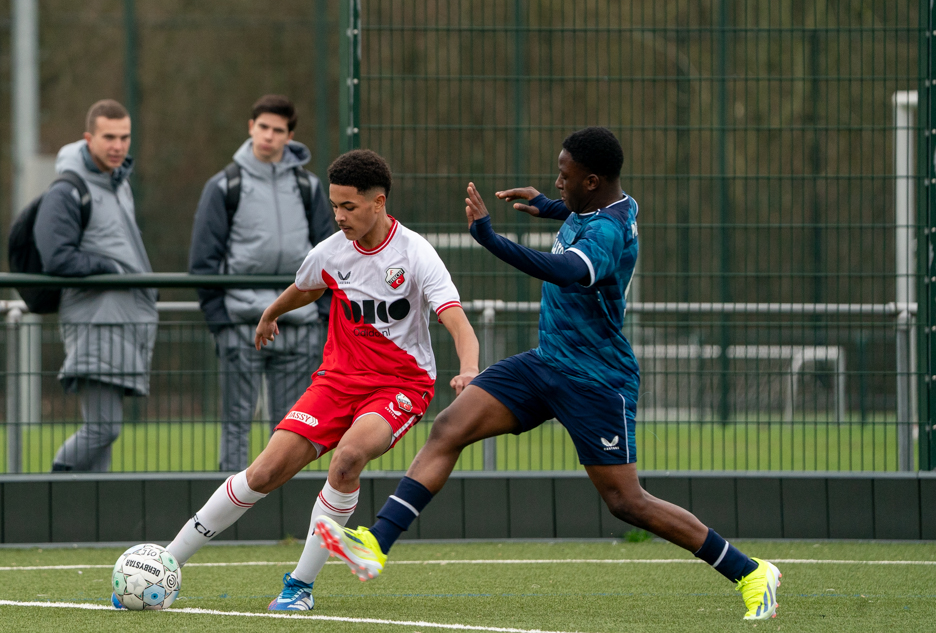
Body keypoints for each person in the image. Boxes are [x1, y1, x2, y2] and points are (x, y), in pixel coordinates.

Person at [316, 128, 782, 621]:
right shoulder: (604, 208)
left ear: (593, 180)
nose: (558, 181)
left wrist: (491, 240)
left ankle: (750, 572)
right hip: (547, 362)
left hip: (597, 380)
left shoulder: (606, 233)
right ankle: (375, 543)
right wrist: (548, 205)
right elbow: (582, 216)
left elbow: (565, 270)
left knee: (627, 502)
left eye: (565, 176)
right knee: (450, 427)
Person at [162, 149, 479, 612]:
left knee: (348, 458)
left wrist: (468, 367)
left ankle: (299, 587)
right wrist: (271, 312)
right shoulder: (330, 251)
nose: (339, 216)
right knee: (265, 472)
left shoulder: (415, 254)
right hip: (335, 381)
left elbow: (457, 321)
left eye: (349, 206)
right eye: (334, 205)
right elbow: (308, 286)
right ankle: (168, 563)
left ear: (379, 201)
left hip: (400, 386)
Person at [189, 94, 334, 472]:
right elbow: (202, 262)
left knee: (293, 429)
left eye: (278, 130)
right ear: (251, 127)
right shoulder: (224, 186)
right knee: (236, 426)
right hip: (241, 325)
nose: (269, 136)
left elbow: (330, 256)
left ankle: (283, 515)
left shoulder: (309, 187)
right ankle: (228, 521)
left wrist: (320, 316)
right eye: (263, 127)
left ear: (290, 136)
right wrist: (221, 323)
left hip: (299, 328)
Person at [38, 99, 158, 473]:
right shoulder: (68, 189)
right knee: (103, 428)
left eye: (124, 137)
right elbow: (56, 258)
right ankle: (53, 484)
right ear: (89, 138)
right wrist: (109, 268)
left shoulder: (118, 184)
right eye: (109, 137)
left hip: (122, 320)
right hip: (96, 320)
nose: (117, 146)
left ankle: (91, 519)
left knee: (104, 434)